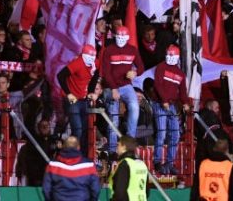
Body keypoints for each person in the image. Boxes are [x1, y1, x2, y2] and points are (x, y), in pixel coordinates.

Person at [101, 26, 144, 154]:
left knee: (135, 108)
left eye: (122, 37)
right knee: (113, 116)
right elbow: (106, 73)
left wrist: (135, 73)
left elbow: (141, 66)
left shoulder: (132, 50)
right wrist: (113, 89)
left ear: (127, 38)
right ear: (115, 37)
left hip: (126, 86)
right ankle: (113, 149)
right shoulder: (109, 50)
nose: (120, 39)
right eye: (118, 37)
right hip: (111, 86)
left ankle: (129, 141)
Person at [150, 45, 190, 175]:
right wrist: (164, 100)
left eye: (172, 55)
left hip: (171, 105)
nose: (169, 57)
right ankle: (157, 162)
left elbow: (183, 91)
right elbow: (158, 85)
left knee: (175, 134)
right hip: (160, 104)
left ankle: (170, 162)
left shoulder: (180, 73)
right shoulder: (161, 67)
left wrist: (185, 103)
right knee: (161, 133)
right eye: (168, 54)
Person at [58, 44, 99, 151]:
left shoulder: (95, 64)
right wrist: (68, 93)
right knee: (78, 129)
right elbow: (60, 75)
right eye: (88, 57)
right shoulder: (77, 63)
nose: (90, 60)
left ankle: (75, 152)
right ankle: (71, 153)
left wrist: (90, 91)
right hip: (73, 99)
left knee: (84, 129)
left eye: (92, 58)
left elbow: (95, 75)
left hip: (83, 98)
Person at [42, 136, 100, 201]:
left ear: (63, 147)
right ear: (78, 147)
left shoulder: (52, 165)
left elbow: (46, 189)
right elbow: (95, 190)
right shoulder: (89, 166)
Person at [109, 136, 149, 201]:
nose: (117, 148)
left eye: (118, 145)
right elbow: (146, 191)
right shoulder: (142, 164)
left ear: (124, 147)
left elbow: (120, 192)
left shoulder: (124, 164)